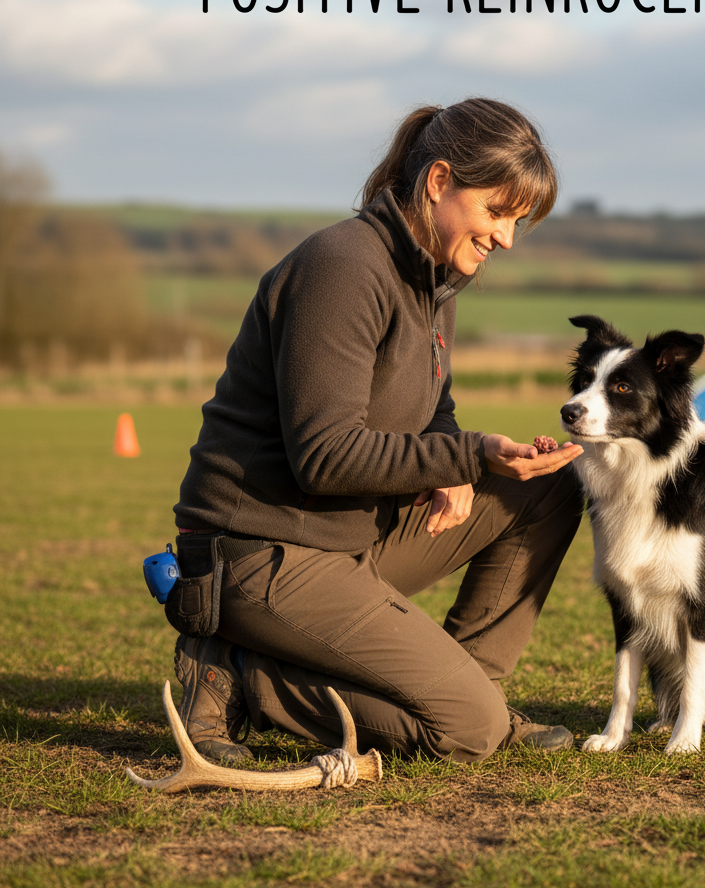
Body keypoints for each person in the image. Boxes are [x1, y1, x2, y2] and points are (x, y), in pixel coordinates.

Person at [169, 98, 585, 765]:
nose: (506, 238)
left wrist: (456, 463)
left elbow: (431, 411)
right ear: (440, 182)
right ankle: (244, 674)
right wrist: (468, 455)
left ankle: (477, 692)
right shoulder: (343, 268)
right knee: (465, 734)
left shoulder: (435, 283)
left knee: (549, 492)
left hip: (347, 537)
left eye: (518, 221)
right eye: (497, 212)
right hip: (261, 553)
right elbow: (324, 457)